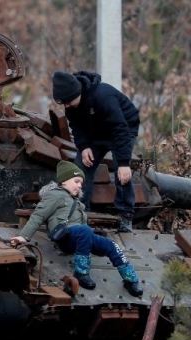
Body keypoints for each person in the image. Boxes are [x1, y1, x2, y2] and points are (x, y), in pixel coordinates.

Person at [11, 160, 143, 297]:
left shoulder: (77, 203)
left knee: (110, 244)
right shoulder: (54, 195)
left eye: (81, 183)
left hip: (81, 237)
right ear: (64, 181)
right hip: (65, 237)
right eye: (76, 181)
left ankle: (130, 279)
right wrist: (23, 237)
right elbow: (38, 215)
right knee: (85, 231)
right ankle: (81, 272)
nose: (80, 186)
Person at [51, 70, 140, 233]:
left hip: (123, 127)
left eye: (69, 102)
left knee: (123, 174)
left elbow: (121, 129)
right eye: (64, 104)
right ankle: (81, 210)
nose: (67, 106)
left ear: (77, 93)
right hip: (96, 132)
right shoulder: (71, 105)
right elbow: (76, 127)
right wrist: (84, 147)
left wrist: (123, 163)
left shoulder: (103, 97)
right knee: (79, 169)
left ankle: (125, 214)